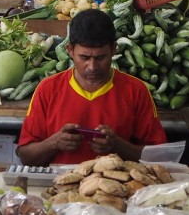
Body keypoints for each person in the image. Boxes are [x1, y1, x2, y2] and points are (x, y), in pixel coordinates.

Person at [17, 9, 166, 166]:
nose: (92, 67)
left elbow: (160, 157)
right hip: (58, 185)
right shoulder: (47, 89)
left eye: (101, 57)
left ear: (114, 50)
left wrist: (118, 146)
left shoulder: (136, 91)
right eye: (84, 57)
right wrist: (54, 143)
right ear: (70, 51)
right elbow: (25, 156)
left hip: (117, 187)